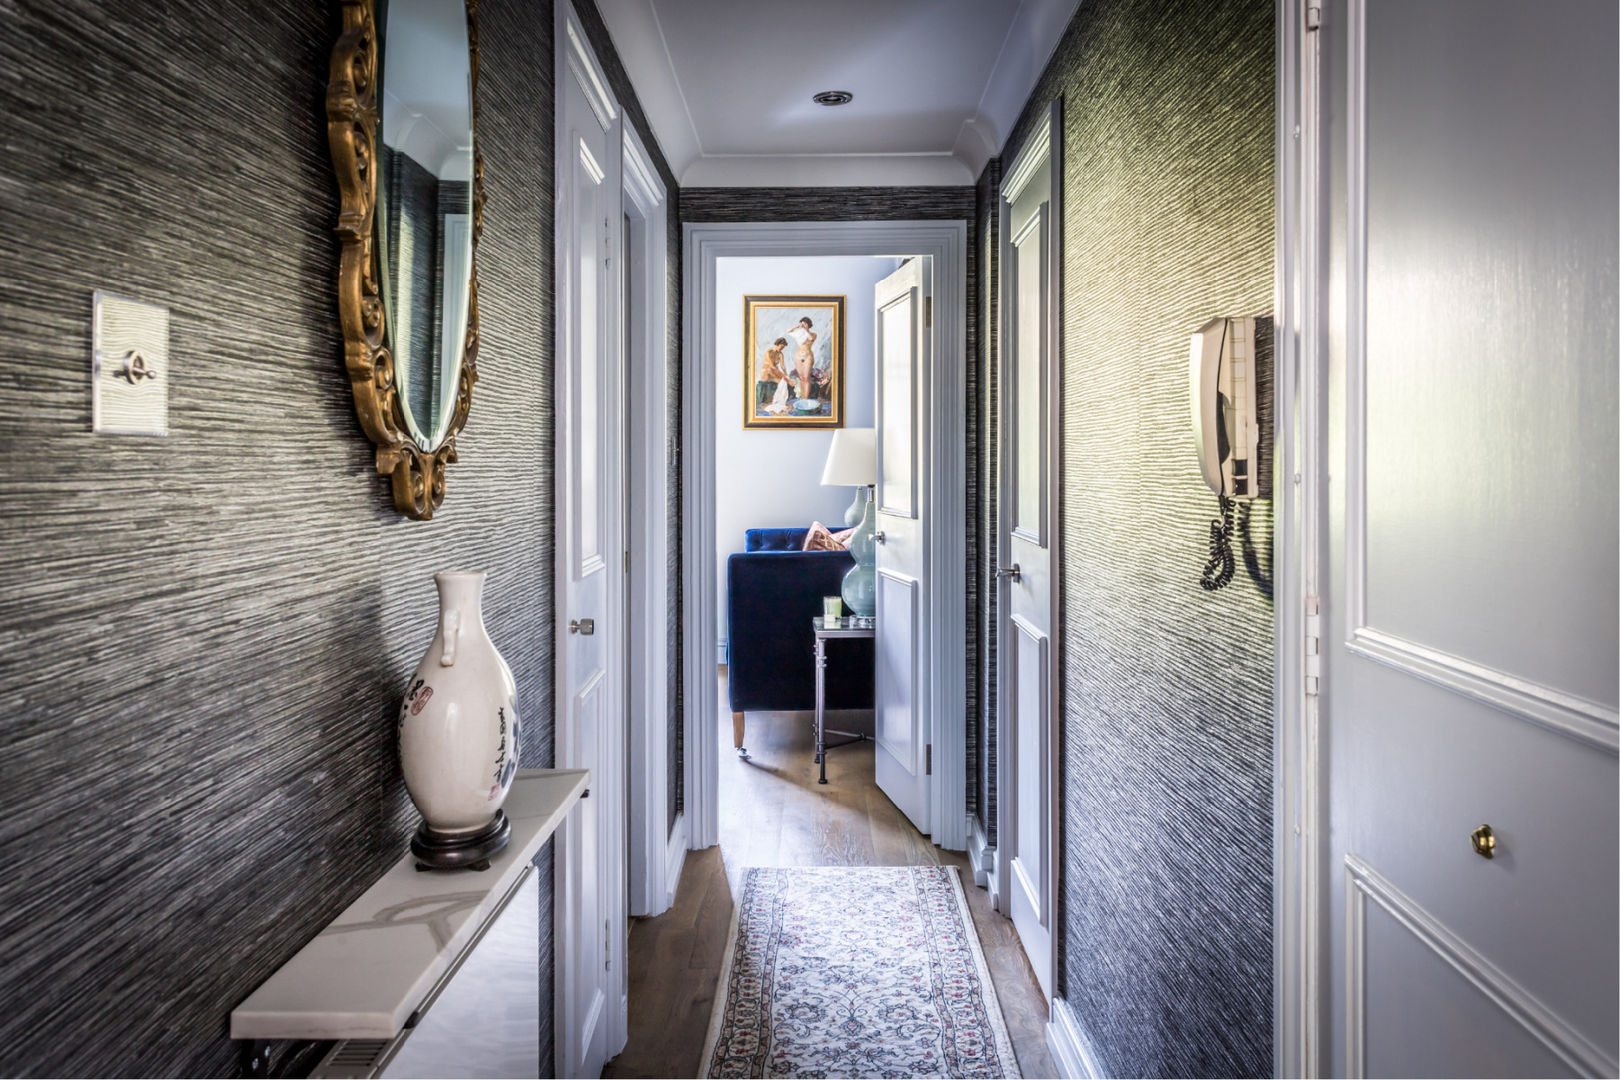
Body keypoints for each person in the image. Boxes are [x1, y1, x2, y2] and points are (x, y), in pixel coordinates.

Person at [789, 317, 817, 405]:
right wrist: (797, 326)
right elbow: (789, 331)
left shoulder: (812, 334)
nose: (803, 325)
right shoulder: (799, 334)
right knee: (801, 378)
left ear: (808, 324)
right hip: (798, 356)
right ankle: (802, 398)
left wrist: (806, 330)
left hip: (808, 356)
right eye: (802, 323)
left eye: (805, 323)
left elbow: (811, 339)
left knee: (806, 378)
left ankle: (806, 398)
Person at [760, 338, 792, 414]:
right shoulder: (769, 352)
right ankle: (775, 402)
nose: (782, 349)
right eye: (781, 347)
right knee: (773, 371)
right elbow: (772, 366)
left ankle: (779, 402)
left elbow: (783, 366)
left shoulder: (780, 354)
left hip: (775, 372)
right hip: (767, 373)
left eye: (783, 348)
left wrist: (786, 375)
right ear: (778, 344)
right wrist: (784, 377)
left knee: (783, 382)